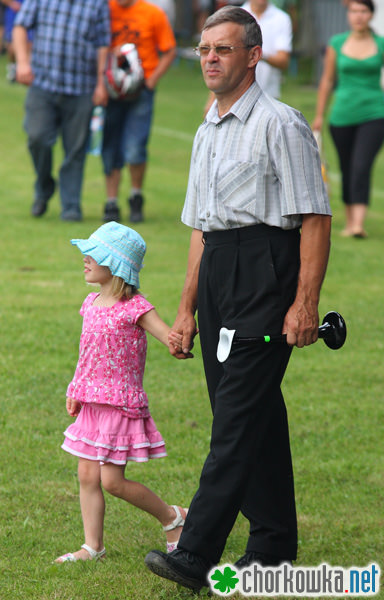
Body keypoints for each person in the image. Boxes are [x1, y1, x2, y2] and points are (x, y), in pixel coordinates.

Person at [144, 5, 331, 592]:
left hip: (267, 271)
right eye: (203, 50)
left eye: (222, 50)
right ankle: (273, 546)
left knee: (233, 421)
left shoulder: (281, 123)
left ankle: (195, 553)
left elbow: (315, 219)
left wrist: (304, 303)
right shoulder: (207, 128)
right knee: (254, 415)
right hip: (221, 273)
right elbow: (201, 228)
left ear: (253, 55)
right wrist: (185, 309)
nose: (209, 60)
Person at [55, 222, 187, 563]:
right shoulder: (90, 302)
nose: (84, 259)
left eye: (93, 254)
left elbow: (167, 337)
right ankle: (92, 547)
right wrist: (76, 388)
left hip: (119, 403)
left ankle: (172, 518)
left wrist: (178, 342)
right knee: (86, 474)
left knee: (112, 481)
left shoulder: (136, 307)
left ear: (115, 264)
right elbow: (86, 352)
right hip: (91, 402)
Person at [13, 0, 110, 222]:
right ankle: (44, 186)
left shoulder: (97, 4)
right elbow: (20, 25)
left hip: (81, 89)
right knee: (37, 138)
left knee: (75, 150)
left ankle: (71, 207)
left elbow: (102, 44)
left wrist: (100, 83)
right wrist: (22, 62)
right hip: (43, 84)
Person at [312, 0, 384, 239]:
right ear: (348, 14)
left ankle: (358, 224)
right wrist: (320, 115)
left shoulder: (380, 44)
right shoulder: (337, 43)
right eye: (354, 11)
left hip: (375, 113)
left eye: (363, 11)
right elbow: (328, 81)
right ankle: (350, 218)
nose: (358, 16)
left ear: (371, 15)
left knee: (361, 166)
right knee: (346, 166)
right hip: (342, 115)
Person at [101, 0, 176, 224]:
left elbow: (169, 50)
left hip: (140, 89)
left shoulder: (153, 13)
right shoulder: (105, 10)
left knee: (135, 146)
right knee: (110, 145)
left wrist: (152, 80)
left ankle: (135, 196)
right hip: (111, 90)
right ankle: (111, 201)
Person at [241, 0, 292, 98]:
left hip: (269, 94)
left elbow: (283, 61)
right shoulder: (236, 16)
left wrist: (258, 54)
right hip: (237, 91)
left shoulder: (282, 19)